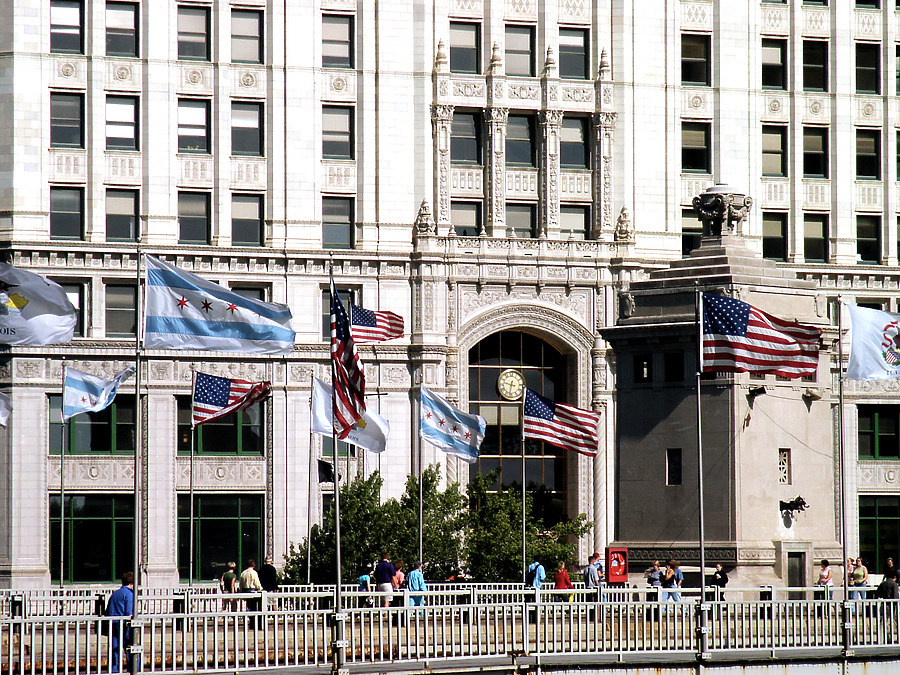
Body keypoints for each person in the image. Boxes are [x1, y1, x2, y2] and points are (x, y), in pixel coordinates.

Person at [106, 571, 134, 674]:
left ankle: (114, 670)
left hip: (113, 624)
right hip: (124, 625)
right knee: (131, 647)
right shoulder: (130, 594)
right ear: (132, 583)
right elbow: (129, 612)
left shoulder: (115, 594)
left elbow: (108, 610)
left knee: (114, 649)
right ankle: (133, 669)